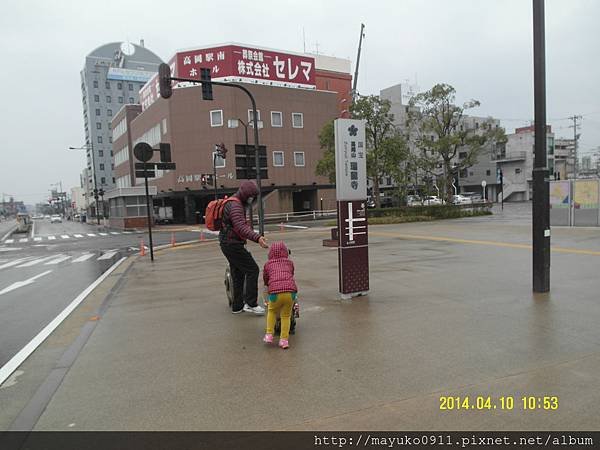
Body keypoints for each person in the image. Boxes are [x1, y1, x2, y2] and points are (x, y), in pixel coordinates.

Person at [219, 180, 269, 315]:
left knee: (238, 273)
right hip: (232, 244)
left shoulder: (233, 202)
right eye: (251, 196)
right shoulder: (235, 206)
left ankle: (237, 305)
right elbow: (240, 227)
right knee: (253, 269)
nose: (252, 199)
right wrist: (257, 238)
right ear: (246, 195)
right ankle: (251, 303)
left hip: (227, 243)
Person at [262, 241, 298, 349]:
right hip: (290, 293)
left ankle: (269, 335)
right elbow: (291, 274)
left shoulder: (268, 264)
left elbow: (265, 278)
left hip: (275, 293)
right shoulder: (289, 263)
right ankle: (284, 341)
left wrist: (267, 284)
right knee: (286, 316)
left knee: (272, 311)